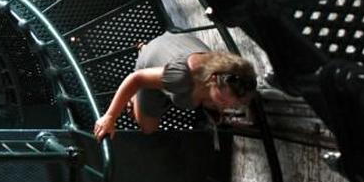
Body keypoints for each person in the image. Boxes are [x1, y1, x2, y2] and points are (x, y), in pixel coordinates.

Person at [93, 31, 257, 140]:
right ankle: (143, 53)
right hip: (152, 64)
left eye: (231, 103)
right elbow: (136, 79)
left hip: (173, 44)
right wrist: (110, 117)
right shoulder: (182, 77)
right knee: (148, 128)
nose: (226, 106)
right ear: (213, 79)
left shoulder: (225, 71)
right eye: (221, 99)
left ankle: (146, 48)